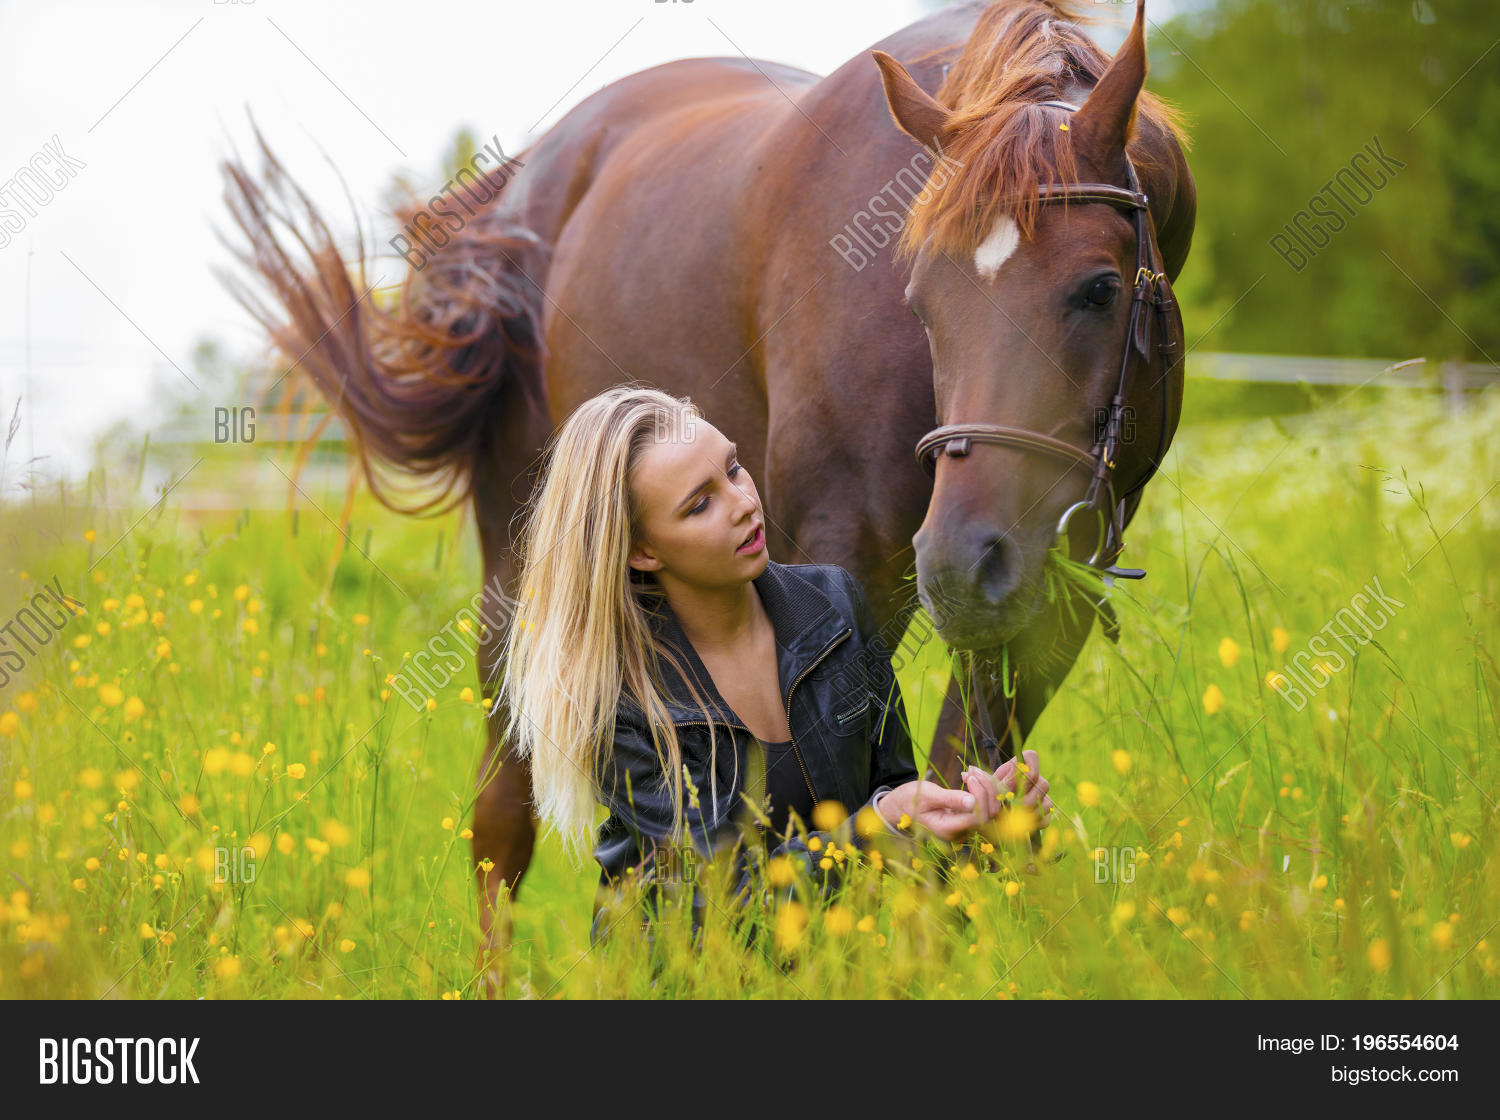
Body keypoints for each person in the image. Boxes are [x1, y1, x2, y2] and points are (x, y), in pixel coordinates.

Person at [495, 385, 1054, 954]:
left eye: (734, 469)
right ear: (643, 551)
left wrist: (978, 830)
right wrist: (874, 831)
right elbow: (716, 912)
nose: (742, 503)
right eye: (699, 504)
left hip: (842, 972)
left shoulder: (834, 606)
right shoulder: (622, 699)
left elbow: (891, 800)